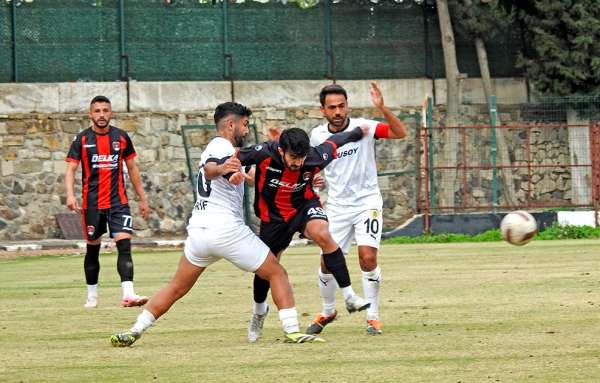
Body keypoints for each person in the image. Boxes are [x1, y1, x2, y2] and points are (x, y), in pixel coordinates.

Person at [110, 102, 324, 347]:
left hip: (200, 232)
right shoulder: (220, 145)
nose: (246, 130)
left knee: (176, 287)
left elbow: (242, 176)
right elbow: (212, 168)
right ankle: (292, 330)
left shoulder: (227, 151)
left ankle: (135, 329)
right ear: (230, 124)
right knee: (277, 272)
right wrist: (222, 168)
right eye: (244, 125)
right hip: (225, 229)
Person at [236, 126, 372, 343]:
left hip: (303, 207)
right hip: (273, 218)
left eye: (301, 158)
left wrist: (358, 131)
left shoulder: (314, 156)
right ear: (281, 150)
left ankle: (349, 296)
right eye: (293, 157)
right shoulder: (263, 153)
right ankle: (259, 312)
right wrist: (228, 170)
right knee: (266, 269)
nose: (298, 163)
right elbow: (232, 157)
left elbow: (337, 140)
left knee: (324, 235)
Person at [307, 82, 407, 335]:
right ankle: (328, 311)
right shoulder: (317, 135)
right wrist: (313, 179)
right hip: (338, 207)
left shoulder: (365, 127)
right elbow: (313, 166)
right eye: (332, 107)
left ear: (347, 106)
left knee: (368, 257)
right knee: (327, 263)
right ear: (323, 110)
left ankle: (372, 317)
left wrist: (382, 108)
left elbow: (399, 132)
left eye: (342, 106)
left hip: (367, 203)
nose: (338, 111)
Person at [65, 95, 150, 309]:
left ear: (111, 113)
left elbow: (132, 169)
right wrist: (70, 195)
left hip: (118, 203)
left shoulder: (121, 137)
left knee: (124, 245)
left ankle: (128, 294)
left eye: (105, 110)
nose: (101, 115)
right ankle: (92, 296)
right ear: (90, 114)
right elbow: (71, 170)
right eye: (97, 111)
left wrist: (142, 198)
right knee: (92, 249)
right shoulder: (82, 140)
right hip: (92, 205)